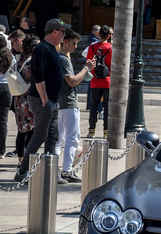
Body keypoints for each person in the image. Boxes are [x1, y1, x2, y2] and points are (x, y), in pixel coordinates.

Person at [14, 18, 69, 182]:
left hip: (51, 101)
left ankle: (52, 173)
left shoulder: (50, 48)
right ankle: (22, 172)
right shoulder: (42, 49)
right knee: (39, 136)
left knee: (53, 136)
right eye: (63, 32)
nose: (64, 35)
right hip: (43, 100)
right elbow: (38, 76)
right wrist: (45, 99)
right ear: (55, 32)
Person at [56, 29, 94, 183]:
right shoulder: (63, 59)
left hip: (59, 102)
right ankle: (66, 170)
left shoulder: (60, 57)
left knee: (60, 138)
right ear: (65, 41)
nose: (76, 47)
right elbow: (72, 81)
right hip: (68, 102)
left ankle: (56, 169)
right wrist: (86, 68)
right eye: (74, 43)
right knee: (72, 138)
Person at [12, 34, 38, 166]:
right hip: (29, 98)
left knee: (21, 130)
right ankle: (27, 159)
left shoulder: (19, 61)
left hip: (18, 98)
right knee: (31, 130)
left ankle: (21, 160)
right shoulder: (31, 62)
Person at [85, 24, 112, 139]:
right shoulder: (111, 48)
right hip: (107, 81)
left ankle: (92, 131)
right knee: (107, 107)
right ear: (109, 36)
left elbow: (88, 62)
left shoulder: (92, 47)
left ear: (98, 34)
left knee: (94, 106)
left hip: (95, 80)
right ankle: (106, 131)